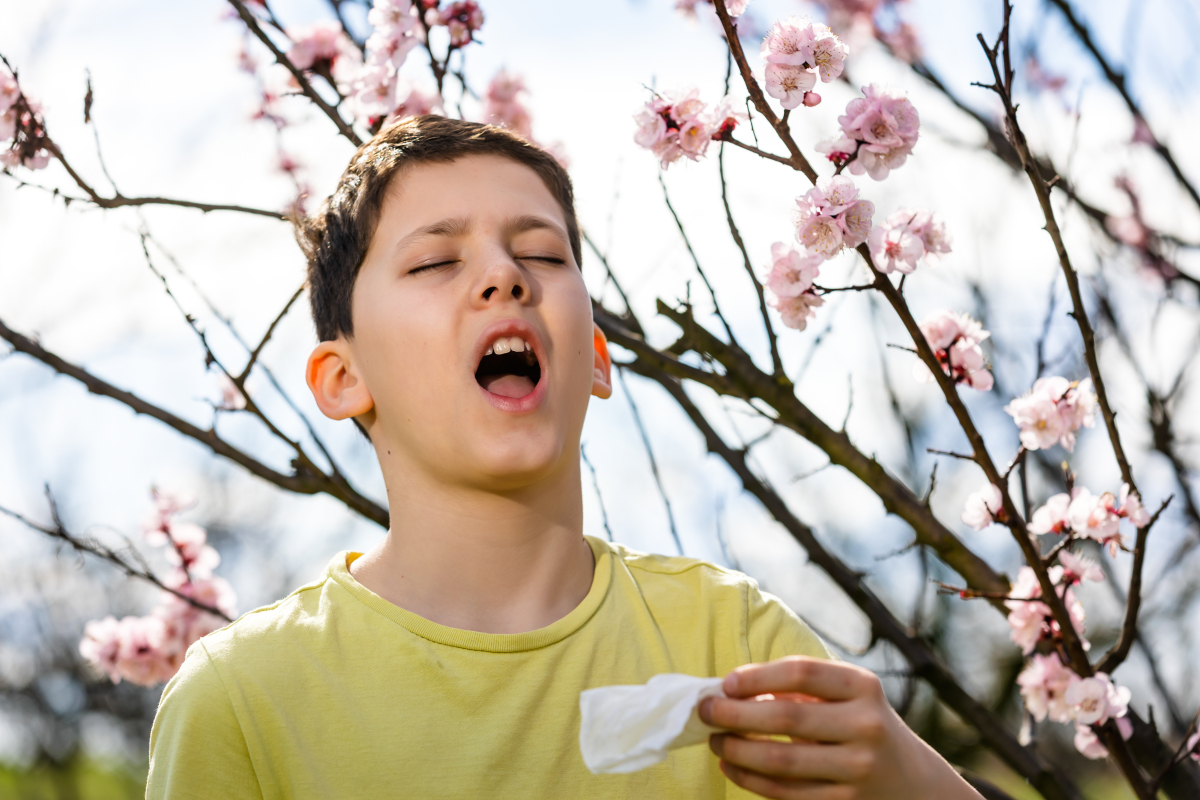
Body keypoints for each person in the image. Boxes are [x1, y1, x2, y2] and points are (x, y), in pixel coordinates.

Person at [145, 115, 982, 800]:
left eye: (542, 254)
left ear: (596, 357)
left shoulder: (733, 640)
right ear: (342, 378)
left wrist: (908, 781)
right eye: (437, 260)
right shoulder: (245, 699)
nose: (505, 276)